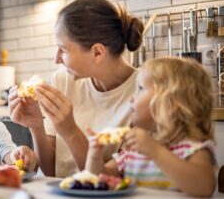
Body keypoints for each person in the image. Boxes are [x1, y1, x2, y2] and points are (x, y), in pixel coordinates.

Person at [8, 0, 144, 177]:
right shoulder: (64, 80)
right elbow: (51, 171)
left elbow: (109, 179)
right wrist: (36, 126)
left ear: (97, 52)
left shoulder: (145, 95)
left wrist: (70, 131)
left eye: (63, 50)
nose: (56, 59)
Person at [85, 57, 216, 197]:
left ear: (170, 103)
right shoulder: (133, 151)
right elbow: (100, 179)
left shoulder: (192, 149)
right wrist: (94, 155)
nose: (131, 98)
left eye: (140, 89)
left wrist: (155, 151)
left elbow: (204, 187)